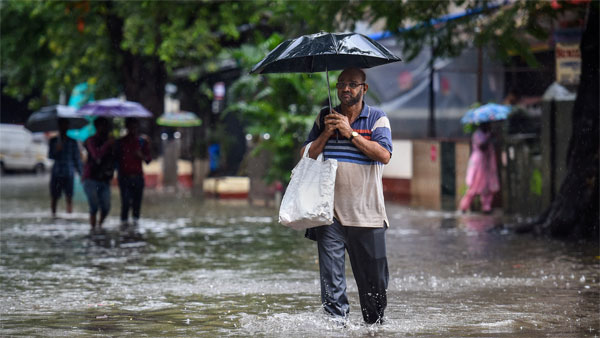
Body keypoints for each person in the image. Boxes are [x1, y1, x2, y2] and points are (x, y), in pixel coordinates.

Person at [301, 68, 392, 324]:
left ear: (364, 89)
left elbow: (384, 155)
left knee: (374, 291)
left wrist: (349, 132)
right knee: (331, 286)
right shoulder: (324, 117)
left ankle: (374, 328)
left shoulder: (377, 118)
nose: (345, 89)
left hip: (368, 216)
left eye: (353, 84)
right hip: (329, 216)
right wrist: (327, 133)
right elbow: (306, 155)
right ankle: (336, 326)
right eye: (342, 84)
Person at [116, 118, 151, 229]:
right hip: (124, 177)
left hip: (138, 177)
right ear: (127, 128)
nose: (133, 129)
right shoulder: (120, 142)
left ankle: (135, 229)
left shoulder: (142, 142)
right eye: (131, 127)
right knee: (125, 203)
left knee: (136, 204)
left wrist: (141, 155)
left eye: (135, 127)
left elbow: (148, 160)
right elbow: (115, 158)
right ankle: (124, 227)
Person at [82, 117, 115, 231]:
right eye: (102, 126)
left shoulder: (111, 141)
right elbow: (96, 155)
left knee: (106, 207)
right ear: (97, 127)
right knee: (94, 205)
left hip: (104, 179)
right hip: (90, 178)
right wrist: (107, 144)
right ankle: (93, 229)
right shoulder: (91, 140)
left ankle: (99, 226)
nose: (105, 128)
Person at [459, 122, 499, 213]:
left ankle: (486, 207)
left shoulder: (487, 134)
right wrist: (489, 138)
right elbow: (482, 146)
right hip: (479, 163)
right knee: (474, 186)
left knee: (487, 187)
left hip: (487, 164)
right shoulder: (478, 134)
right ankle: (464, 206)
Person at [48, 118, 83, 217]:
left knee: (69, 197)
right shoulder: (53, 141)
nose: (64, 127)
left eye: (65, 125)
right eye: (61, 125)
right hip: (56, 173)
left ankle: (69, 217)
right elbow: (50, 156)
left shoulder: (72, 142)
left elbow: (76, 159)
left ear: (68, 126)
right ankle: (53, 216)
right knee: (54, 197)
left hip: (69, 173)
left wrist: (81, 174)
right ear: (58, 127)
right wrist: (56, 150)